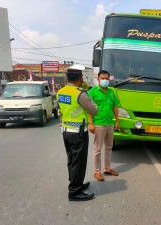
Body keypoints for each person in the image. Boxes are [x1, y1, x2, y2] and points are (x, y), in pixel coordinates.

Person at [57, 64, 98, 201]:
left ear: (67, 78)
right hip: (78, 133)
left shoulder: (60, 92)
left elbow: (62, 110)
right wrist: (87, 95)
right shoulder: (80, 94)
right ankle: (74, 192)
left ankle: (76, 184)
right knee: (78, 162)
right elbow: (94, 110)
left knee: (72, 160)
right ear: (80, 79)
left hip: (66, 131)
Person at [88, 70, 119, 181]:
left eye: (107, 78)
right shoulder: (92, 92)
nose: (105, 80)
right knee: (97, 149)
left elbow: (115, 107)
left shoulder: (111, 92)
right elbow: (88, 108)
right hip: (99, 124)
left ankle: (107, 168)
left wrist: (117, 121)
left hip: (110, 123)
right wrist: (91, 123)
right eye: (103, 78)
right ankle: (97, 172)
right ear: (98, 79)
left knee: (109, 147)